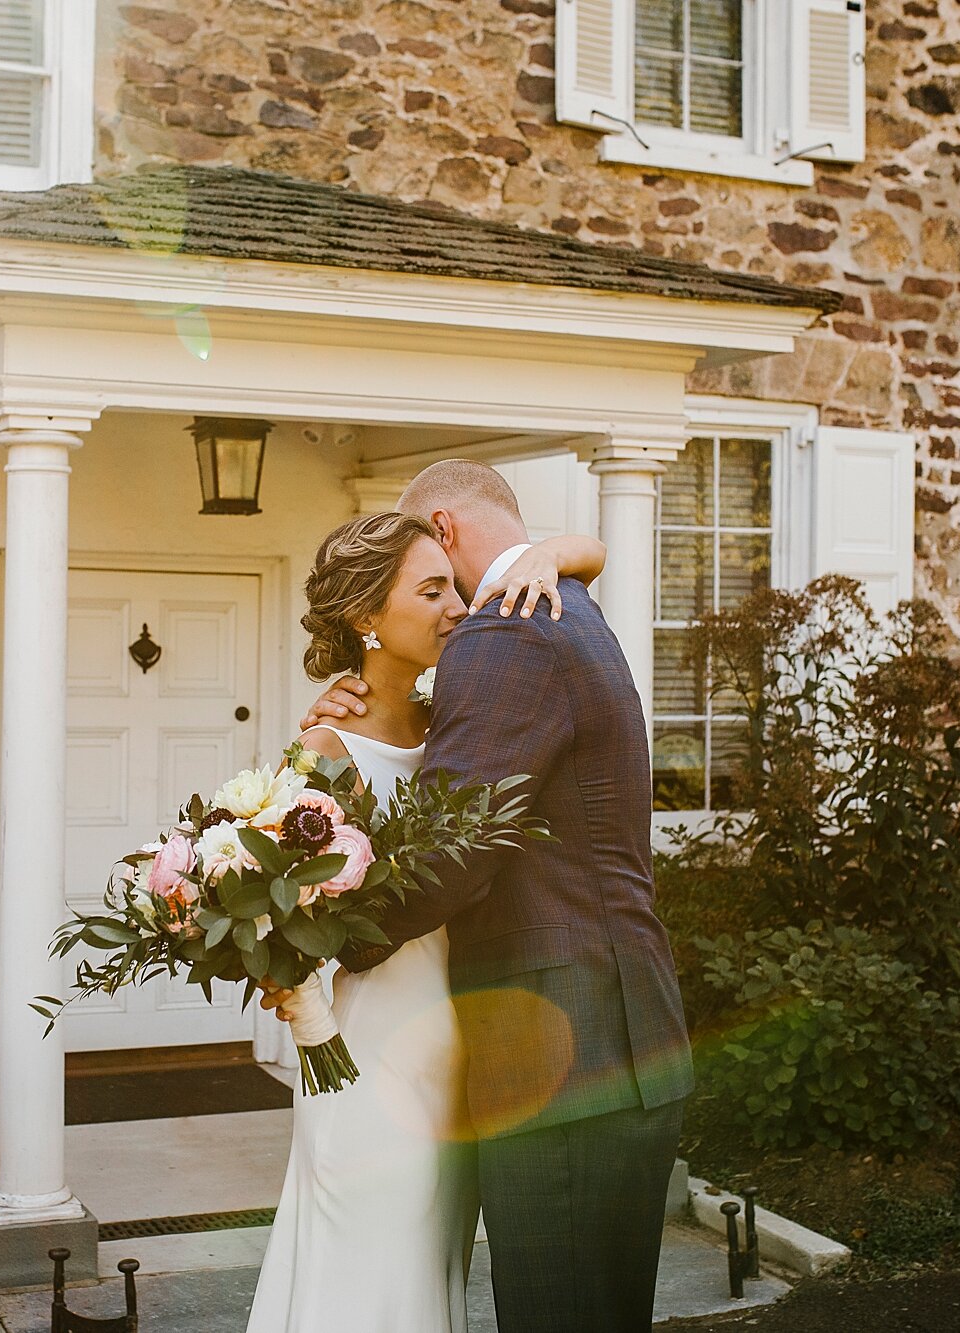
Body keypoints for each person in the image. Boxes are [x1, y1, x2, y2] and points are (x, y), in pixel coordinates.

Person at [275, 459, 693, 1333]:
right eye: (425, 590)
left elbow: (453, 854)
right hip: (600, 1032)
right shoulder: (568, 611)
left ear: (446, 527)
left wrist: (328, 946)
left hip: (561, 1044)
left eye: (440, 574)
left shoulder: (511, 631)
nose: (452, 606)